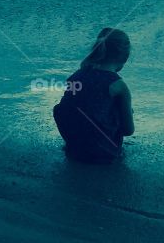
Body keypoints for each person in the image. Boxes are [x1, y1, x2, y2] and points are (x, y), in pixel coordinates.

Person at [52, 27, 134, 163]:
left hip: (74, 148)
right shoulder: (118, 85)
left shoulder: (77, 75)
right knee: (125, 110)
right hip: (103, 153)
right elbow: (128, 130)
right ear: (125, 57)